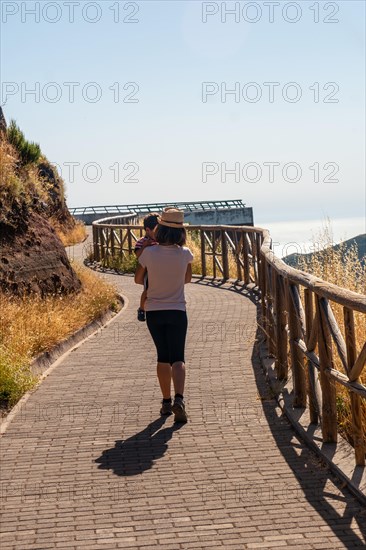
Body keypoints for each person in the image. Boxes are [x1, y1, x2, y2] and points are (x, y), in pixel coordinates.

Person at [134, 207, 193, 423]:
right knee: (178, 357)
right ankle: (179, 399)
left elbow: (138, 280)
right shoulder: (185, 254)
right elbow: (187, 279)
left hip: (154, 312)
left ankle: (166, 402)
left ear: (160, 229)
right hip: (177, 310)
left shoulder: (149, 253)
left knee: (162, 356)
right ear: (180, 232)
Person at [134, 213, 159, 322]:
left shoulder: (160, 240)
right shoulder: (141, 242)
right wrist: (145, 246)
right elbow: (138, 255)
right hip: (147, 270)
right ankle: (142, 308)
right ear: (148, 230)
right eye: (157, 230)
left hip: (159, 268)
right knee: (148, 289)